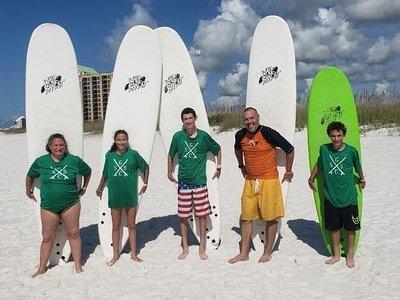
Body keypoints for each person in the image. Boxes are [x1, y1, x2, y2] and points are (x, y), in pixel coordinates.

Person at [229, 107, 294, 264]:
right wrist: (241, 166)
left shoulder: (268, 133)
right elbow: (237, 149)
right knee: (245, 218)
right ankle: (244, 253)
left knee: (270, 218)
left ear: (258, 117)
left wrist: (289, 171)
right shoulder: (240, 135)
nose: (249, 121)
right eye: (246, 119)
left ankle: (267, 252)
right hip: (250, 181)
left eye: (252, 118)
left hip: (269, 181)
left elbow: (289, 149)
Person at [26, 133, 91, 277]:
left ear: (65, 146)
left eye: (61, 145)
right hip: (49, 206)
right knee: (48, 237)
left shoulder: (74, 160)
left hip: (71, 204)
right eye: (55, 145)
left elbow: (88, 172)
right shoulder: (41, 161)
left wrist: (84, 187)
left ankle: (78, 265)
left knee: (73, 233)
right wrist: (28, 190)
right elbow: (30, 175)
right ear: (49, 146)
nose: (58, 147)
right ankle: (42, 267)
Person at [308, 121, 365, 268]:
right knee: (333, 228)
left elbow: (358, 166)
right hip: (331, 197)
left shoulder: (351, 151)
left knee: (351, 229)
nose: (336, 139)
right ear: (329, 136)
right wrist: (311, 177)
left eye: (339, 135)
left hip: (349, 198)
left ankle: (350, 257)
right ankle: (336, 255)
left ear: (344, 135)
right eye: (333, 136)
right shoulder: (324, 150)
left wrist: (362, 179)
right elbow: (319, 165)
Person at [167, 107, 221, 260]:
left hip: (200, 183)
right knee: (183, 217)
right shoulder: (178, 137)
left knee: (202, 216)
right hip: (183, 182)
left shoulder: (204, 137)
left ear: (195, 118)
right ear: (182, 121)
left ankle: (202, 248)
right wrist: (169, 172)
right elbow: (171, 155)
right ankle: (185, 247)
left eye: (190, 118)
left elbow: (217, 149)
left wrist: (219, 167)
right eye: (185, 119)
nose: (188, 121)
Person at [96, 129, 149, 266]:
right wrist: (100, 187)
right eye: (119, 140)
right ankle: (115, 255)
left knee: (131, 225)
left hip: (130, 195)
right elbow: (105, 173)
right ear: (115, 140)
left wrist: (145, 182)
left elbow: (145, 167)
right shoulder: (110, 155)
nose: (121, 142)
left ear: (127, 140)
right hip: (115, 195)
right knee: (116, 226)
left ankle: (133, 254)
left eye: (124, 139)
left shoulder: (133, 154)